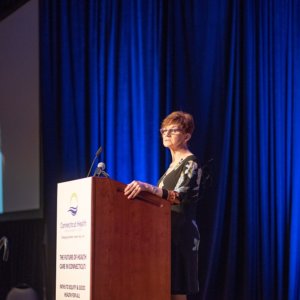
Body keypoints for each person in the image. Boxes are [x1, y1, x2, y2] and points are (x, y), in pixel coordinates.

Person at [124, 111, 202, 300]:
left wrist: (148, 187)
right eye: (164, 130)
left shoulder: (191, 163)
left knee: (177, 291)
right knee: (164, 288)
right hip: (164, 233)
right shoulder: (170, 168)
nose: (166, 134)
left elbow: (179, 197)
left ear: (187, 136)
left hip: (181, 234)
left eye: (173, 130)